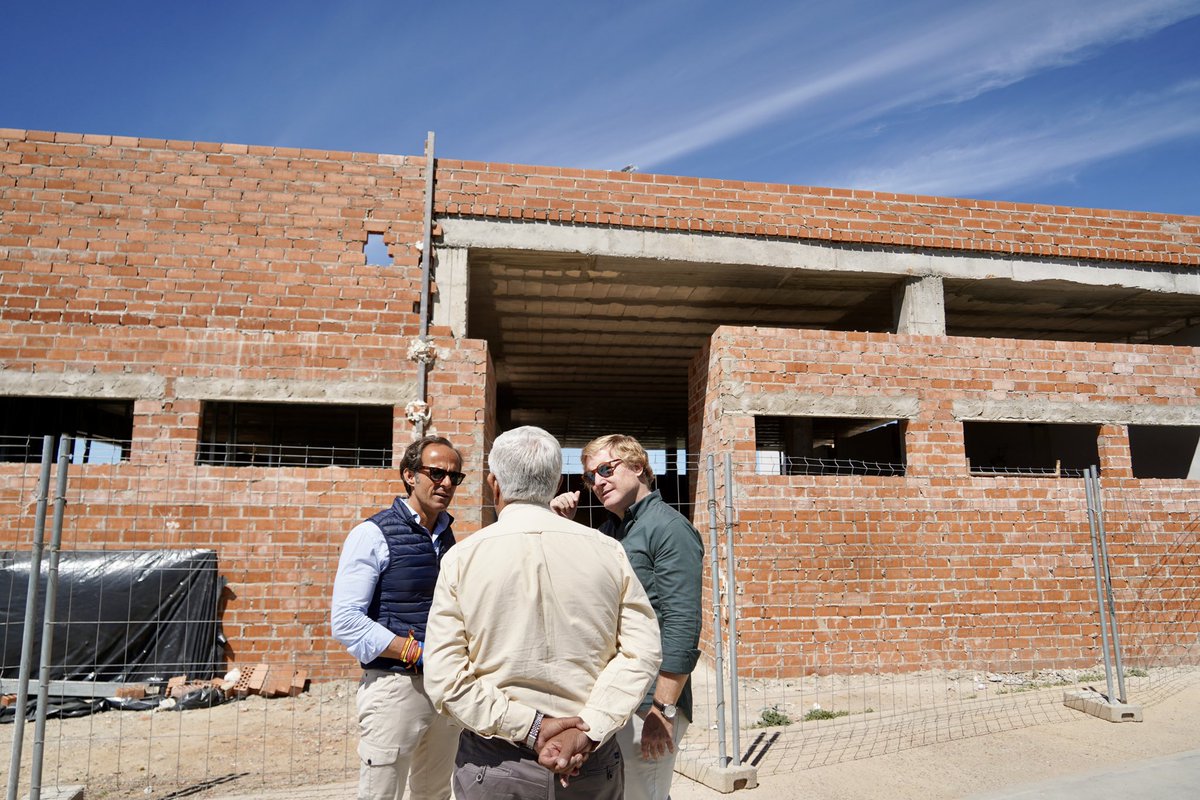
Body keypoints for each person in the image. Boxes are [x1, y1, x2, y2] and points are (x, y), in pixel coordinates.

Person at [423, 426, 662, 799]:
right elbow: (642, 652)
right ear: (555, 482)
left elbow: (445, 678)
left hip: (498, 766)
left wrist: (532, 727)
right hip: (589, 763)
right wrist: (588, 728)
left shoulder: (462, 560)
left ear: (494, 483)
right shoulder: (608, 552)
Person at [551, 434, 704, 800]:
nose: (598, 482)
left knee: (644, 793)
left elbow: (682, 623)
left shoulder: (668, 528)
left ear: (638, 467)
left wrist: (663, 710)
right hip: (618, 692)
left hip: (650, 701)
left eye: (606, 469)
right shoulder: (612, 529)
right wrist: (565, 524)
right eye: (590, 477)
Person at [331, 435, 467, 800]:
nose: (447, 483)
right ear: (409, 475)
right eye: (436, 473)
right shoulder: (372, 534)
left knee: (434, 791)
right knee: (382, 792)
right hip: (395, 688)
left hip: (444, 687)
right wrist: (417, 652)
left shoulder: (448, 538)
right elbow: (346, 620)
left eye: (456, 477)